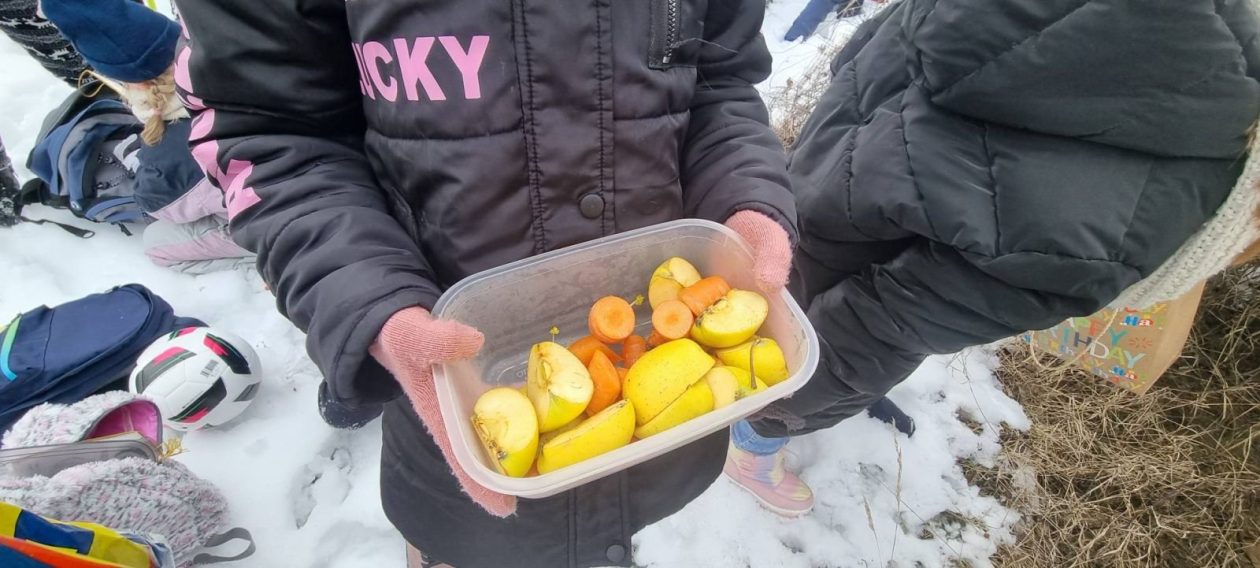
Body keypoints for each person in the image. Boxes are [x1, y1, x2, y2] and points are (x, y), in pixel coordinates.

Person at [173, 2, 797, 566]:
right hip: (451, 378)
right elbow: (269, 135)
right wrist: (372, 304)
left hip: (659, 382)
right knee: (464, 539)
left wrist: (742, 197)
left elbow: (721, 84)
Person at [748, 0, 1260, 450]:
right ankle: (756, 447)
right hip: (865, 239)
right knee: (792, 352)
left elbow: (880, 38)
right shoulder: (1114, 235)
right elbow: (880, 329)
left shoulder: (1208, 33)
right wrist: (774, 408)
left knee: (792, 287)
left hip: (842, 149)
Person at [14, 0, 254, 274]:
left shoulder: (164, 159)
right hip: (289, 164)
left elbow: (157, 207)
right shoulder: (239, 53)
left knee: (157, 243)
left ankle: (260, 255)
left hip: (275, 209)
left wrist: (141, 159)